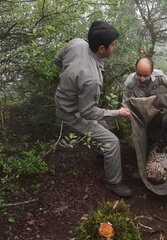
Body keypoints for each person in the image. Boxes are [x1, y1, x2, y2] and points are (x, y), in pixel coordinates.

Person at [54, 21, 133, 197]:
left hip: (64, 100)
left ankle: (102, 154)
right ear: (102, 48)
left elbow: (57, 61)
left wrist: (70, 82)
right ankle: (114, 182)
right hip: (70, 113)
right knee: (113, 141)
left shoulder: (77, 43)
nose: (115, 47)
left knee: (103, 127)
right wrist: (118, 113)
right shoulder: (91, 79)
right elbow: (88, 113)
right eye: (113, 45)